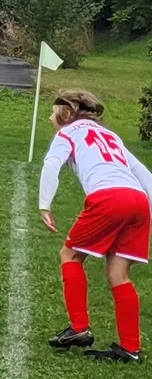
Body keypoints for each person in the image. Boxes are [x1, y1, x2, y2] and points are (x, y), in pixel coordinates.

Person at [41, 89, 147, 363]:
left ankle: (79, 328)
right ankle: (130, 349)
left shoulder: (67, 133)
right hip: (138, 201)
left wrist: (44, 204)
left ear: (67, 114)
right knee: (118, 273)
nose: (50, 118)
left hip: (108, 198)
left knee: (70, 255)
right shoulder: (110, 135)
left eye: (53, 112)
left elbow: (52, 164)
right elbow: (142, 172)